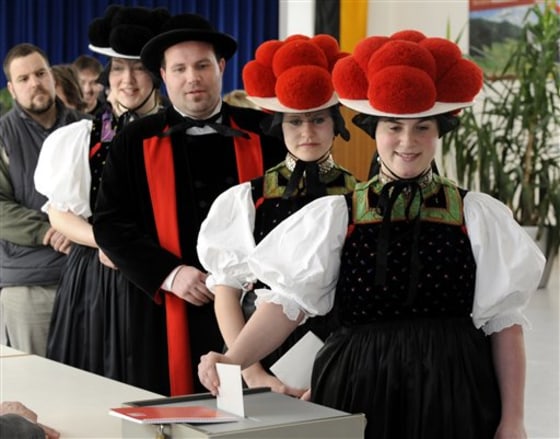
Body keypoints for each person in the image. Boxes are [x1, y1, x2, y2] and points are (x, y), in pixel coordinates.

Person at [198, 30, 546, 439]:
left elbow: (504, 326)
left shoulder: (476, 214)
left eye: (422, 128)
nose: (407, 142)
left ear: (439, 132)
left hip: (453, 386)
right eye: (393, 127)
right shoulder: (337, 215)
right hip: (358, 383)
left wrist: (514, 420)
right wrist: (233, 359)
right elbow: (287, 305)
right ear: (372, 130)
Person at [92, 12, 286, 396]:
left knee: (260, 412)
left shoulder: (266, 132)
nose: (192, 78)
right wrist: (170, 274)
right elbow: (110, 225)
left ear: (221, 67)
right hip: (166, 308)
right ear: (164, 76)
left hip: (258, 307)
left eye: (202, 65)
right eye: (179, 69)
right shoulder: (134, 140)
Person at [197, 34, 357, 396]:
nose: (307, 133)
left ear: (336, 125)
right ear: (279, 127)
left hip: (341, 355)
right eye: (295, 122)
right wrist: (252, 372)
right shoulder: (247, 200)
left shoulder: (361, 198)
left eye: (318, 120)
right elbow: (227, 292)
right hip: (257, 350)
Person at [33, 6, 171, 395]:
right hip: (95, 280)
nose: (128, 79)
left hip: (157, 275)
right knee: (91, 384)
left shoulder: (176, 135)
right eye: (118, 68)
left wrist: (135, 252)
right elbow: (59, 213)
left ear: (156, 73)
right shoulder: (80, 138)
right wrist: (108, 241)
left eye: (138, 68)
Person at [0, 43, 88, 356]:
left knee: (91, 380)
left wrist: (78, 230)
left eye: (40, 73)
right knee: (38, 384)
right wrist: (48, 230)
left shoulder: (85, 128)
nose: (34, 83)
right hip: (28, 283)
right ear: (11, 88)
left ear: (52, 76)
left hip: (84, 275)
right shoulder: (2, 136)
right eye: (23, 79)